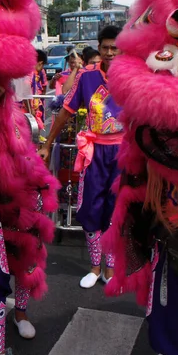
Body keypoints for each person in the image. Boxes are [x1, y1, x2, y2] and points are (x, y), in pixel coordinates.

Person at [39, 25, 123, 289]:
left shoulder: (133, 75)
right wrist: (48, 142)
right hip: (94, 151)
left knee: (115, 210)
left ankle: (110, 268)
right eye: (105, 47)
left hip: (123, 151)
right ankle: (95, 266)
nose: (110, 52)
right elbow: (65, 111)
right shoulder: (86, 77)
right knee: (90, 207)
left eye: (115, 48)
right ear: (99, 48)